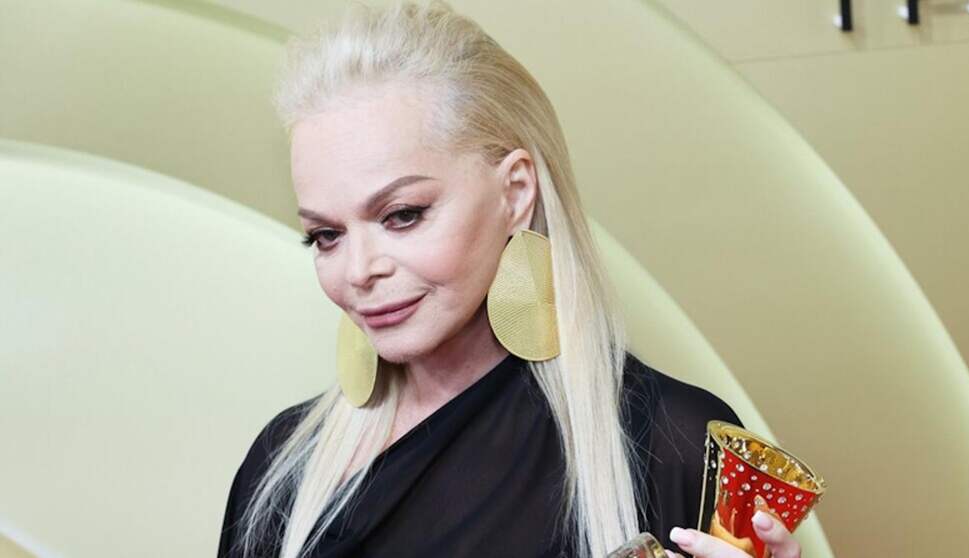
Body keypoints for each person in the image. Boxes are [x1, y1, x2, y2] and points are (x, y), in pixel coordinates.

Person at [217, 2, 803, 557]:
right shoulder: (283, 468)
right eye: (326, 236)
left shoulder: (670, 444)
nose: (358, 270)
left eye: (402, 215)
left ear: (515, 193)